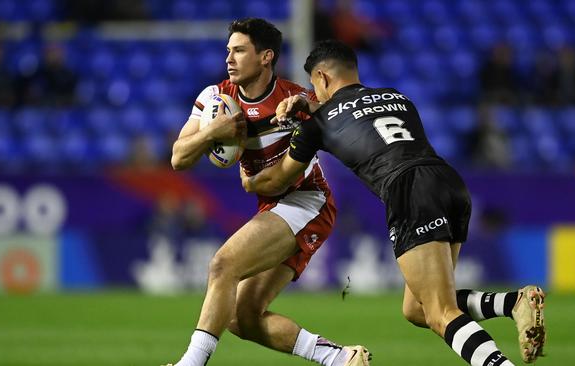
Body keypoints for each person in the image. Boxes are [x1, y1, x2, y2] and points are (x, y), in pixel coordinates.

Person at [242, 40, 547, 365]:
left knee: (440, 313)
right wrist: (309, 104)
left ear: (323, 77)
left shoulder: (317, 123)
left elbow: (278, 180)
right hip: (449, 183)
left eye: (315, 85)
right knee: (416, 309)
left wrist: (249, 178)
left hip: (409, 192)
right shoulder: (398, 98)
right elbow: (356, 117)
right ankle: (513, 303)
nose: (315, 92)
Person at [167, 19, 370, 366]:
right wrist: (211, 131)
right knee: (240, 317)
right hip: (273, 206)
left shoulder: (295, 100)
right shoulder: (214, 99)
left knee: (223, 265)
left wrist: (312, 113)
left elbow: (339, 126)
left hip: (307, 200)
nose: (229, 58)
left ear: (266, 57)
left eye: (240, 50)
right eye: (228, 50)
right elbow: (178, 158)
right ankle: (341, 359)